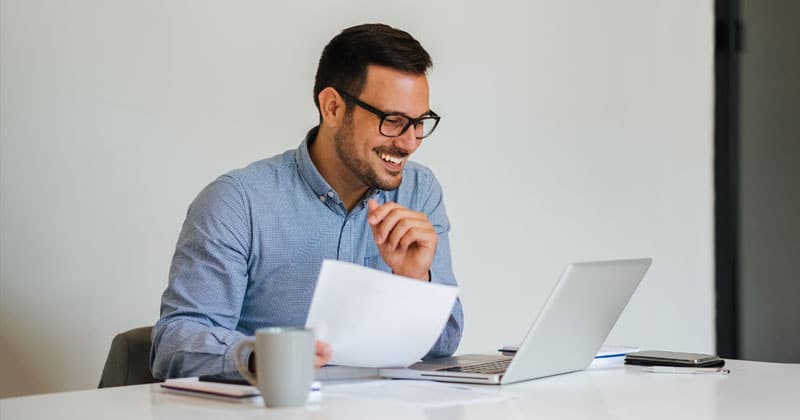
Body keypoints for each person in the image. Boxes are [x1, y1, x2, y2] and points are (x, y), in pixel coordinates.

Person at [150, 23, 464, 379]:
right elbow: (174, 342)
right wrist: (262, 358)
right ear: (332, 107)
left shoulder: (419, 191)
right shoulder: (237, 203)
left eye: (419, 122)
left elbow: (445, 343)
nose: (409, 142)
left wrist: (415, 279)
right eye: (392, 121)